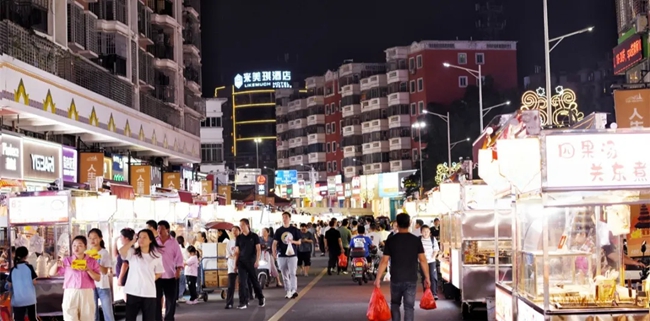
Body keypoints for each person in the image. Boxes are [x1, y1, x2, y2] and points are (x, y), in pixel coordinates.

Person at [375, 213, 430, 321]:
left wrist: (378, 278)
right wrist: (427, 277)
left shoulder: (391, 240)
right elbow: (423, 260)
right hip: (411, 279)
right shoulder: (416, 240)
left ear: (397, 224)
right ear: (409, 223)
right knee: (409, 307)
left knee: (395, 304)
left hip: (396, 279)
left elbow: (384, 261)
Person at [120, 229, 164, 321]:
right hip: (133, 291)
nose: (141, 239)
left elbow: (159, 273)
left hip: (149, 293)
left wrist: (149, 279)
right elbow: (121, 251)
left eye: (144, 237)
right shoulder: (133, 253)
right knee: (130, 318)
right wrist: (132, 241)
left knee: (149, 319)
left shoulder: (156, 255)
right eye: (139, 237)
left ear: (150, 240)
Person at [62, 235, 101, 321]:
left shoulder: (91, 261)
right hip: (70, 292)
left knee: (87, 317)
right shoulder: (67, 261)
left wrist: (88, 269)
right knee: (70, 318)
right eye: (74, 245)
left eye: (79, 245)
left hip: (86, 292)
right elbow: (51, 273)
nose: (76, 248)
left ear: (85, 247)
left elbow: (98, 278)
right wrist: (56, 264)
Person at [155, 220, 184, 321]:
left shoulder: (173, 242)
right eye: (158, 229)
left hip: (170, 275)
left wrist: (178, 270)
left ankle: (169, 318)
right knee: (156, 299)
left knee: (170, 300)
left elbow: (179, 257)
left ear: (167, 230)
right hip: (157, 276)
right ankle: (157, 318)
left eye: (162, 229)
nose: (159, 231)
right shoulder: (155, 241)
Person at [234, 218, 265, 309]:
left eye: (242, 225)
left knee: (254, 281)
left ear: (247, 225)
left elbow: (258, 249)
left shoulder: (254, 236)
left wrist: (257, 260)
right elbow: (237, 252)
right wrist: (235, 265)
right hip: (241, 262)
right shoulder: (239, 238)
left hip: (252, 262)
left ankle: (260, 297)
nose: (241, 227)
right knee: (242, 282)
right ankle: (243, 302)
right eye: (240, 225)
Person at [87, 228, 114, 321]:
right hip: (91, 287)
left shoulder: (104, 253)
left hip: (103, 286)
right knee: (93, 314)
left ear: (100, 238)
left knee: (108, 313)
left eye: (95, 238)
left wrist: (95, 261)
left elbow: (105, 271)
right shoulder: (86, 253)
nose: (92, 240)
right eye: (90, 238)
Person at [273, 212, 302, 299]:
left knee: (292, 273)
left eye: (286, 217)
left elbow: (299, 242)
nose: (284, 219)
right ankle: (288, 290)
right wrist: (274, 252)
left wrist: (292, 241)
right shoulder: (278, 231)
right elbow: (274, 243)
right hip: (282, 255)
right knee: (284, 273)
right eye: (283, 217)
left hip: (292, 255)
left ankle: (294, 290)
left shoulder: (295, 230)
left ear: (290, 218)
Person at [8, 246, 37, 321]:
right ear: (26, 256)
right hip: (30, 299)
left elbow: (9, 285)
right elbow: (34, 282)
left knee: (18, 319)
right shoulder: (29, 267)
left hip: (18, 300)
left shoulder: (13, 269)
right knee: (32, 318)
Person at [420, 225, 439, 300]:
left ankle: (434, 293)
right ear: (421, 232)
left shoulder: (433, 239)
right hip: (422, 261)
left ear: (430, 232)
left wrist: (433, 257)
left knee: (432, 276)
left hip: (431, 261)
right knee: (424, 277)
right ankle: (426, 293)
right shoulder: (419, 240)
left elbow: (436, 249)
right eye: (424, 231)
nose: (426, 233)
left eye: (427, 231)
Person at [224, 226, 240, 309]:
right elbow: (228, 255)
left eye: (236, 230)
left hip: (241, 264)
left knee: (243, 283)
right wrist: (233, 257)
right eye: (232, 230)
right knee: (231, 285)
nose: (234, 232)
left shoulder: (242, 241)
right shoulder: (229, 242)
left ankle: (244, 300)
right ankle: (229, 302)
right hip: (231, 265)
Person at [177, 235, 189, 303]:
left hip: (176, 267)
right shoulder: (184, 250)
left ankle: (178, 296)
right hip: (182, 267)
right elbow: (186, 259)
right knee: (182, 282)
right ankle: (180, 296)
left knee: (178, 282)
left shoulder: (176, 248)